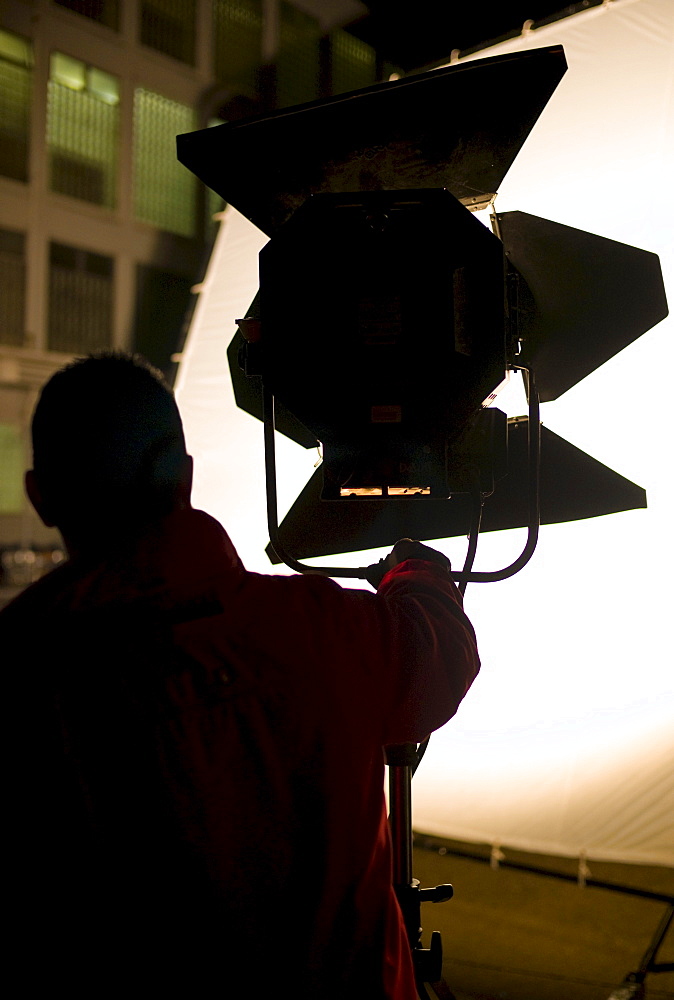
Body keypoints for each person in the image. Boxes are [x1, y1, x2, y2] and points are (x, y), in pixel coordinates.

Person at [1, 351, 480, 999]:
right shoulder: (322, 630)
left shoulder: (22, 669)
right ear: (184, 479)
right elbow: (438, 656)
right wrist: (417, 573)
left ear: (41, 495)